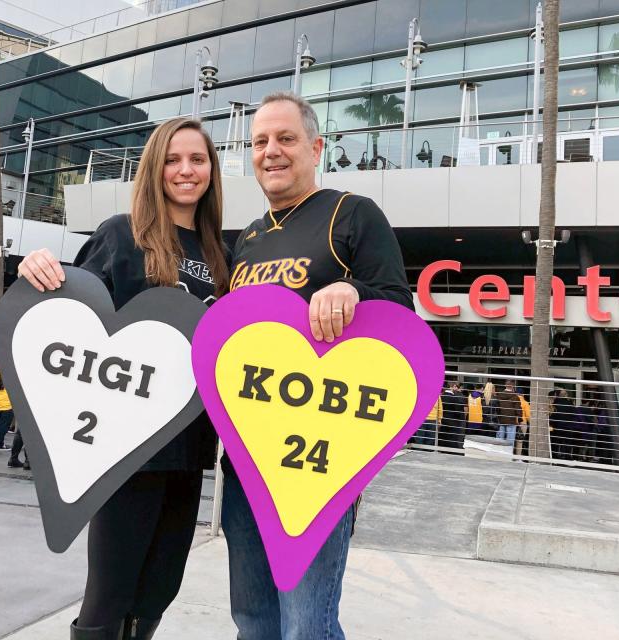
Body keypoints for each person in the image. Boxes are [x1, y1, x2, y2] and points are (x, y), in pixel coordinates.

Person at [18, 116, 229, 640]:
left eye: (197, 160)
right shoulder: (121, 234)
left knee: (160, 587)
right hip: (126, 452)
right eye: (173, 159)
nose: (185, 170)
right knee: (109, 593)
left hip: (190, 448)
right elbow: (74, 318)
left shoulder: (222, 251)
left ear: (212, 170)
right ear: (154, 168)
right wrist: (38, 268)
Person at [223, 91, 412, 640]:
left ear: (316, 147)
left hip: (319, 465)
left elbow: (400, 308)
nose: (271, 152)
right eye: (260, 142)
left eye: (285, 139)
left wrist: (352, 290)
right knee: (253, 622)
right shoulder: (250, 238)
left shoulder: (351, 212)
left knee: (306, 625)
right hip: (247, 461)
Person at [440, 380, 467, 451]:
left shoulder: (441, 396)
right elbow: (458, 411)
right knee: (452, 438)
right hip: (453, 421)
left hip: (443, 420)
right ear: (453, 386)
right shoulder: (455, 398)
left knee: (443, 436)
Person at [494, 380, 522, 445]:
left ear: (505, 385)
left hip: (501, 420)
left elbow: (497, 408)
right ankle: (508, 453)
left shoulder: (499, 395)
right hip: (511, 420)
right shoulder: (515, 397)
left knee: (499, 439)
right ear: (513, 386)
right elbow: (518, 409)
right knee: (510, 440)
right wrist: (519, 419)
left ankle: (498, 452)